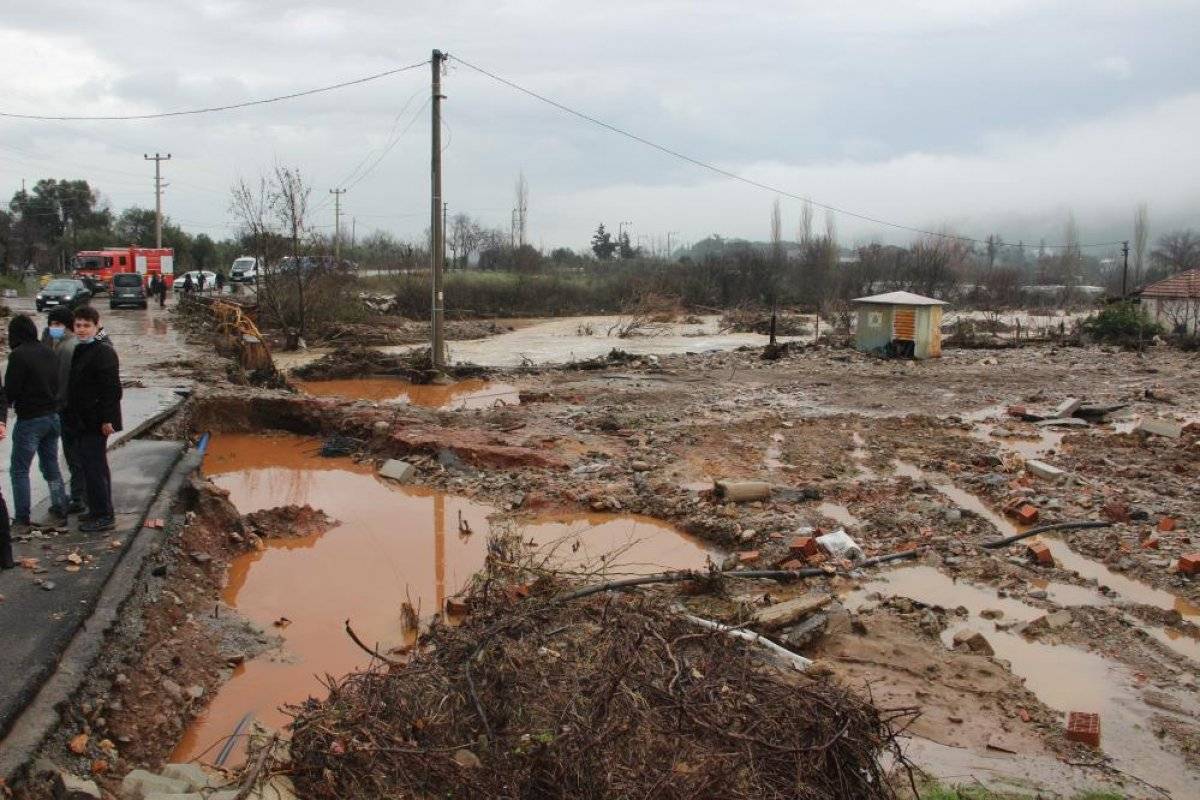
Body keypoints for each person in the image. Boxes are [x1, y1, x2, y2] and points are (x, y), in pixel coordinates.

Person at [4, 314, 70, 534]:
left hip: (30, 420)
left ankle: (22, 518)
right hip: (53, 418)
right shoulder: (48, 351)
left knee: (19, 470)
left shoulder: (18, 356)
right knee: (50, 465)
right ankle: (60, 506)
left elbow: (10, 391)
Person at [65, 306, 122, 533]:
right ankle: (96, 509)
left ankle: (104, 515)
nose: (81, 330)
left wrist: (108, 419)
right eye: (78, 326)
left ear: (97, 325)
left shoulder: (104, 352)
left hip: (96, 420)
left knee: (95, 467)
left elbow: (112, 389)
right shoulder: (82, 349)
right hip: (81, 419)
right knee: (89, 466)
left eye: (86, 326)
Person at [42, 307, 87, 514]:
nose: (53, 328)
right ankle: (81, 495)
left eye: (56, 324)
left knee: (73, 454)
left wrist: (58, 405)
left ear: (65, 325)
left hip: (68, 409)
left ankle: (78, 497)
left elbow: (60, 381)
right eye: (51, 324)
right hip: (76, 408)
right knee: (78, 454)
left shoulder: (65, 348)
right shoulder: (68, 343)